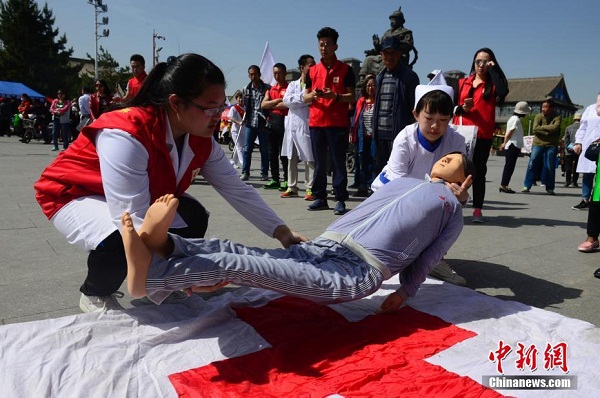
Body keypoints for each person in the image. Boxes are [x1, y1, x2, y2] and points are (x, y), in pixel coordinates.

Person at [34, 53, 305, 313]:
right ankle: (95, 292)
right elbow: (132, 222)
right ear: (176, 103)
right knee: (119, 237)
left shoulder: (200, 135)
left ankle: (164, 283)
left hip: (130, 200)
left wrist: (282, 232)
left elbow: (236, 189)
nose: (218, 115)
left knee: (192, 216)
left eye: (221, 106)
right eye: (210, 107)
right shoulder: (126, 133)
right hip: (73, 193)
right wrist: (188, 272)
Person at [121, 152, 475, 313]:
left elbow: (430, 256)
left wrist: (405, 293)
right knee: (236, 250)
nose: (446, 157)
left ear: (465, 177)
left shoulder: (450, 209)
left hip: (354, 271)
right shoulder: (408, 180)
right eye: (445, 156)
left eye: (456, 158)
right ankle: (165, 245)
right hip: (324, 247)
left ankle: (149, 279)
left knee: (240, 266)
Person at [371, 81, 470, 286]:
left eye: (443, 119)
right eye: (429, 118)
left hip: (433, 194)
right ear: (415, 114)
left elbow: (459, 181)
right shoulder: (405, 138)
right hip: (393, 192)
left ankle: (433, 259)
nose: (435, 126)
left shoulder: (457, 141)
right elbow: (398, 185)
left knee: (450, 212)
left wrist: (460, 196)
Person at [303, 27, 356, 215]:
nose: (323, 48)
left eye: (327, 44)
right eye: (321, 44)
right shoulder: (312, 70)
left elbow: (352, 96)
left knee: (338, 162)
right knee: (319, 162)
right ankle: (320, 197)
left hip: (337, 123)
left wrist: (336, 96)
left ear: (335, 46)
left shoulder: (346, 69)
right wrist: (312, 97)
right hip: (316, 122)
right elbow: (305, 96)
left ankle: (340, 198)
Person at [454, 47, 509, 222]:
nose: (481, 65)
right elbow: (453, 107)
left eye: (486, 62)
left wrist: (493, 70)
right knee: (456, 170)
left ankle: (477, 209)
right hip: (462, 132)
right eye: (478, 61)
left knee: (478, 172)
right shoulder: (463, 82)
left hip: (482, 135)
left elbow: (503, 90)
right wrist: (463, 108)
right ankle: (453, 206)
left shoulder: (493, 87)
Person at [372, 35, 420, 177]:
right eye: (386, 53)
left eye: (393, 53)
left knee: (398, 173)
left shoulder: (409, 77)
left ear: (399, 54)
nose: (389, 56)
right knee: (381, 173)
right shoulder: (379, 77)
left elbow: (415, 108)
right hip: (380, 134)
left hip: (399, 134)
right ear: (381, 55)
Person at [281, 54, 316, 200]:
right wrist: (303, 98)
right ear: (302, 67)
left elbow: (312, 100)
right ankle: (292, 187)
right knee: (291, 157)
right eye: (310, 64)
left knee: (310, 158)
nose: (313, 67)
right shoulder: (292, 84)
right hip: (292, 125)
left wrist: (301, 100)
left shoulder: (314, 84)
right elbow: (286, 101)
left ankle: (310, 188)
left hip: (307, 123)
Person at [522, 98, 562, 195]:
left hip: (551, 144)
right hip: (538, 143)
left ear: (551, 108)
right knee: (532, 162)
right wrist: (548, 131)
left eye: (546, 107)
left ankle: (550, 188)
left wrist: (542, 129)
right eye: (542, 107)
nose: (543, 109)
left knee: (550, 166)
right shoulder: (538, 116)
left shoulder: (557, 117)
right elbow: (535, 129)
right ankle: (527, 185)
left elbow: (555, 128)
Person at [261, 63, 289, 190]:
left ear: (285, 73)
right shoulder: (271, 89)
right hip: (272, 122)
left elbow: (287, 104)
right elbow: (263, 105)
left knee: (284, 153)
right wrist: (276, 101)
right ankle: (275, 179)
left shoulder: (289, 88)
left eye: (279, 73)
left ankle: (287, 180)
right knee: (272, 152)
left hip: (284, 121)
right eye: (275, 73)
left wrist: (271, 104)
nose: (277, 75)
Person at [240, 65, 271, 181]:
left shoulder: (267, 88)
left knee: (264, 149)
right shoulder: (246, 89)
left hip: (263, 123)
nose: (253, 76)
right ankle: (245, 172)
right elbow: (244, 105)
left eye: (255, 74)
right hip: (250, 123)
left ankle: (264, 173)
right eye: (251, 74)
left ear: (259, 74)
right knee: (247, 149)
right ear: (249, 76)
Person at [350, 74, 377, 197]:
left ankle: (373, 187)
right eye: (368, 85)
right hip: (362, 137)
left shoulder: (379, 101)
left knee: (373, 162)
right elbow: (355, 119)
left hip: (374, 137)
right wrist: (352, 133)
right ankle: (362, 187)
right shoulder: (361, 101)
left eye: (373, 85)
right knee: (362, 163)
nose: (371, 88)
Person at [572, 93, 600, 210]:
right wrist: (579, 142)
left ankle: (596, 200)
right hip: (589, 145)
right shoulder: (590, 109)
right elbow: (582, 127)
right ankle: (585, 199)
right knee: (587, 174)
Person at [498, 101, 531, 193]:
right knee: (509, 166)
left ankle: (504, 184)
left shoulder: (513, 118)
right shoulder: (515, 120)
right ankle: (504, 185)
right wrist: (505, 143)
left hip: (513, 145)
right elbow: (509, 133)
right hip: (513, 145)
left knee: (509, 166)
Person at [563, 112, 582, 189]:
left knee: (568, 166)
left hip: (569, 149)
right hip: (579, 149)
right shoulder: (583, 127)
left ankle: (567, 181)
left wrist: (569, 147)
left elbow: (566, 140)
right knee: (577, 166)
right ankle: (574, 181)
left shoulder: (568, 127)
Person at [227, 90, 245, 169]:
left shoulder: (246, 107)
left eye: (242, 98)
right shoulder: (234, 108)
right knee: (239, 147)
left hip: (244, 130)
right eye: (239, 98)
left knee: (239, 147)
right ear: (237, 99)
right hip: (235, 131)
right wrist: (238, 122)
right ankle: (243, 163)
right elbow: (230, 117)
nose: (241, 99)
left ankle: (233, 162)